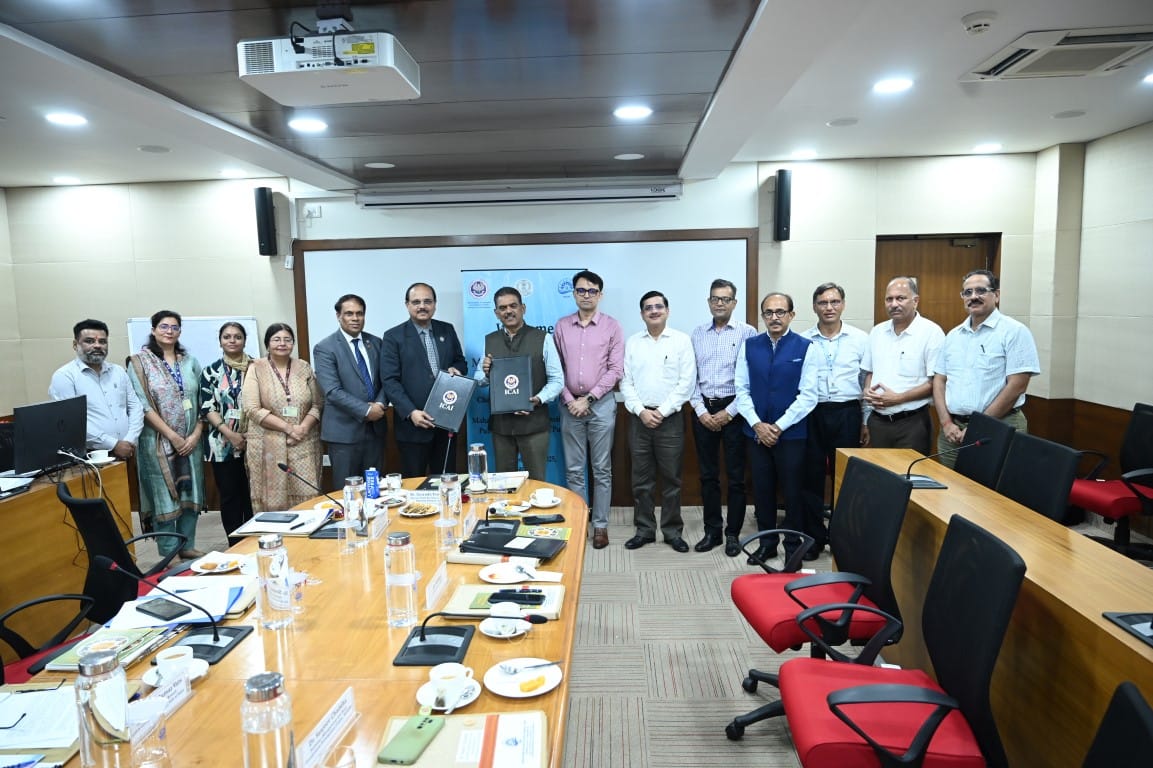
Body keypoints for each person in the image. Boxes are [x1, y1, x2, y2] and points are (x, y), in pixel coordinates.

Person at [734, 293, 820, 564]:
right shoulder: (749, 346)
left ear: (791, 315)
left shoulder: (807, 347)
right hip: (756, 434)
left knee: (793, 492)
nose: (774, 317)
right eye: (769, 312)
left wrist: (778, 427)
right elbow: (741, 390)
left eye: (780, 312)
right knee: (762, 491)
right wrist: (758, 425)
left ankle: (793, 545)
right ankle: (767, 543)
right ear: (762, 316)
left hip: (791, 435)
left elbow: (809, 395)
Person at [933, 269, 1040, 467]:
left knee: (994, 494)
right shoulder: (953, 336)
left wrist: (978, 427)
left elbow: (1017, 385)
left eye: (981, 291)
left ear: (996, 295)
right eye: (968, 292)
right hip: (953, 432)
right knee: (950, 491)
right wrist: (946, 423)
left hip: (999, 426)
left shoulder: (1014, 331)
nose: (973, 296)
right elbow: (940, 380)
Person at [620, 291, 696, 552]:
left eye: (658, 307)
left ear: (667, 310)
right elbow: (625, 382)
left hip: (671, 420)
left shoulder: (681, 341)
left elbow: (686, 383)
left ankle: (673, 531)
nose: (654, 311)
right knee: (641, 480)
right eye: (648, 308)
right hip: (639, 419)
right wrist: (641, 411)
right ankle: (644, 530)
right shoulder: (632, 343)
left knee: (671, 480)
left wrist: (661, 411)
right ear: (642, 314)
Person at [127, 310, 205, 560]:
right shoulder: (139, 362)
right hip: (158, 443)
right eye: (163, 326)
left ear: (180, 332)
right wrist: (172, 436)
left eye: (174, 327)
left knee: (190, 493)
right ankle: (169, 554)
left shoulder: (189, 361)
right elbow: (142, 405)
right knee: (164, 497)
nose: (169, 331)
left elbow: (203, 400)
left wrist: (194, 436)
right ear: (153, 330)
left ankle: (188, 545)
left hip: (191, 441)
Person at [554, 270, 624, 549]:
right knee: (573, 469)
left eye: (591, 291)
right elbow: (555, 369)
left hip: (602, 405)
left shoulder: (612, 326)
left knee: (601, 468)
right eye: (581, 290)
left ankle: (601, 526)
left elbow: (615, 369)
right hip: (569, 405)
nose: (586, 295)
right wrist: (571, 399)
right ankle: (581, 520)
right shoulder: (561, 326)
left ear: (600, 295)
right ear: (573, 293)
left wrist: (589, 398)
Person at [799, 282, 870, 555]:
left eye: (834, 302)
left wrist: (865, 420)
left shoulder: (860, 339)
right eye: (823, 303)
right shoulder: (804, 340)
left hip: (847, 412)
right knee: (811, 476)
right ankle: (814, 539)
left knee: (845, 478)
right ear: (814, 306)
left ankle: (841, 539)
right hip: (813, 413)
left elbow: (866, 383)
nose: (829, 308)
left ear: (843, 304)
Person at [688, 279, 756, 556]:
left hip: (735, 410)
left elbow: (751, 379)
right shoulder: (697, 334)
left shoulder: (748, 333)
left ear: (734, 303)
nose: (719, 303)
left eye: (725, 299)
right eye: (715, 298)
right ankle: (712, 531)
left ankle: (732, 534)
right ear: (708, 302)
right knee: (708, 476)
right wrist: (702, 411)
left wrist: (729, 413)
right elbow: (689, 378)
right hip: (704, 408)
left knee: (737, 477)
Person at [380, 283, 468, 478]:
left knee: (447, 481)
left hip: (446, 421)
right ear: (407, 305)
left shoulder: (447, 329)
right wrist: (411, 412)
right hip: (413, 426)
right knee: (414, 484)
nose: (422, 306)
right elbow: (390, 380)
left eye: (427, 301)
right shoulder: (393, 336)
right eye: (416, 302)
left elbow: (460, 362)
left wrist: (457, 369)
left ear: (435, 304)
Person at [475, 287, 563, 480]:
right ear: (496, 313)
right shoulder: (489, 340)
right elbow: (479, 380)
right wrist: (486, 372)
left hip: (534, 425)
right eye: (503, 307)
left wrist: (537, 400)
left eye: (513, 306)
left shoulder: (543, 339)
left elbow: (557, 381)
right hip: (502, 427)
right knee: (504, 485)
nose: (508, 311)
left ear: (523, 308)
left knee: (537, 483)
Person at [243, 323, 323, 512]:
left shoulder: (303, 367)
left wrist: (302, 428)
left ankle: (306, 540)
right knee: (271, 505)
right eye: (276, 339)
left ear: (293, 343)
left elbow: (318, 403)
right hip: (268, 445)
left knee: (307, 499)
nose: (282, 343)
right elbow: (252, 409)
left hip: (303, 443)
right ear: (267, 344)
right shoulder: (256, 368)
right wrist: (289, 429)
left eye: (287, 339)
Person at [861, 277, 944, 456]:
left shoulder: (931, 333)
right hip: (878, 421)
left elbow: (935, 383)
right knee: (881, 477)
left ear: (915, 301)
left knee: (910, 478)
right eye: (889, 299)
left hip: (912, 422)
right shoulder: (877, 332)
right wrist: (868, 390)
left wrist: (899, 398)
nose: (894, 304)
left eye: (901, 298)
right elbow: (870, 371)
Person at [313, 294, 388, 487]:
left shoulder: (377, 343)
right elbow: (332, 391)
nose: (355, 318)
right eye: (349, 314)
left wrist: (379, 404)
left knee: (375, 489)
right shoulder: (325, 348)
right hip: (343, 434)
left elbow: (387, 380)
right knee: (347, 492)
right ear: (338, 316)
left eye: (359, 314)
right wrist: (366, 410)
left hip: (375, 431)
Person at [49, 319, 143, 459]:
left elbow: (135, 406)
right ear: (76, 345)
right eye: (89, 341)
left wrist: (130, 440)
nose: (97, 346)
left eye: (102, 341)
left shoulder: (118, 371)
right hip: (92, 456)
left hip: (129, 450)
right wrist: (113, 444)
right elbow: (71, 422)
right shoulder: (65, 376)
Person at [198, 322, 254, 545]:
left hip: (254, 442)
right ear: (220, 341)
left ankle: (253, 540)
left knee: (253, 496)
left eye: (237, 337)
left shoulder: (257, 367)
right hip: (221, 444)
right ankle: (235, 544)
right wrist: (229, 434)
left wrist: (247, 435)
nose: (232, 341)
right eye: (227, 337)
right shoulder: (210, 371)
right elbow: (207, 406)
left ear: (244, 340)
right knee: (230, 497)